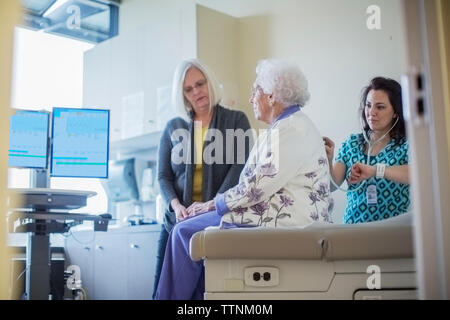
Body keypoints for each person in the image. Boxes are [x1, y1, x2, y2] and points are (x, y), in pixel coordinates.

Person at [155, 59, 333, 300]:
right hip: (269, 211)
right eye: (188, 88)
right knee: (183, 233)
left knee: (184, 233)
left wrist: (210, 205)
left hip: (281, 218)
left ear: (271, 96)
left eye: (255, 91)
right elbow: (254, 183)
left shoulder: (290, 130)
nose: (251, 99)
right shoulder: (284, 127)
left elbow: (255, 187)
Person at [153, 59, 252, 299]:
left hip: (214, 219)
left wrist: (210, 205)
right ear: (182, 95)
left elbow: (239, 169)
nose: (196, 91)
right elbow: (163, 176)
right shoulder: (172, 127)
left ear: (209, 82)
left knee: (204, 292)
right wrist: (176, 206)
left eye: (200, 83)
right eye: (188, 89)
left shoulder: (236, 121)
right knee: (162, 290)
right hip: (176, 221)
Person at [323, 77, 410, 224]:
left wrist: (375, 170)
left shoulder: (405, 145)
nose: (371, 112)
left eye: (380, 107)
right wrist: (329, 159)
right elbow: (332, 186)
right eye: (368, 105)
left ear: (396, 112)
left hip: (392, 232)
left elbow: (416, 175)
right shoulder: (352, 144)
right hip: (353, 229)